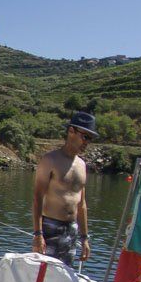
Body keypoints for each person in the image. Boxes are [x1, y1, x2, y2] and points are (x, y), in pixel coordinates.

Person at [32, 111, 98, 267]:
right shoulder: (50, 160)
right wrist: (38, 234)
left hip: (71, 230)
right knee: (43, 275)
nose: (87, 142)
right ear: (71, 131)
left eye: (90, 139)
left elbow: (81, 204)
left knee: (65, 276)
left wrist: (85, 238)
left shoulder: (82, 165)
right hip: (50, 227)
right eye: (85, 137)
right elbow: (37, 198)